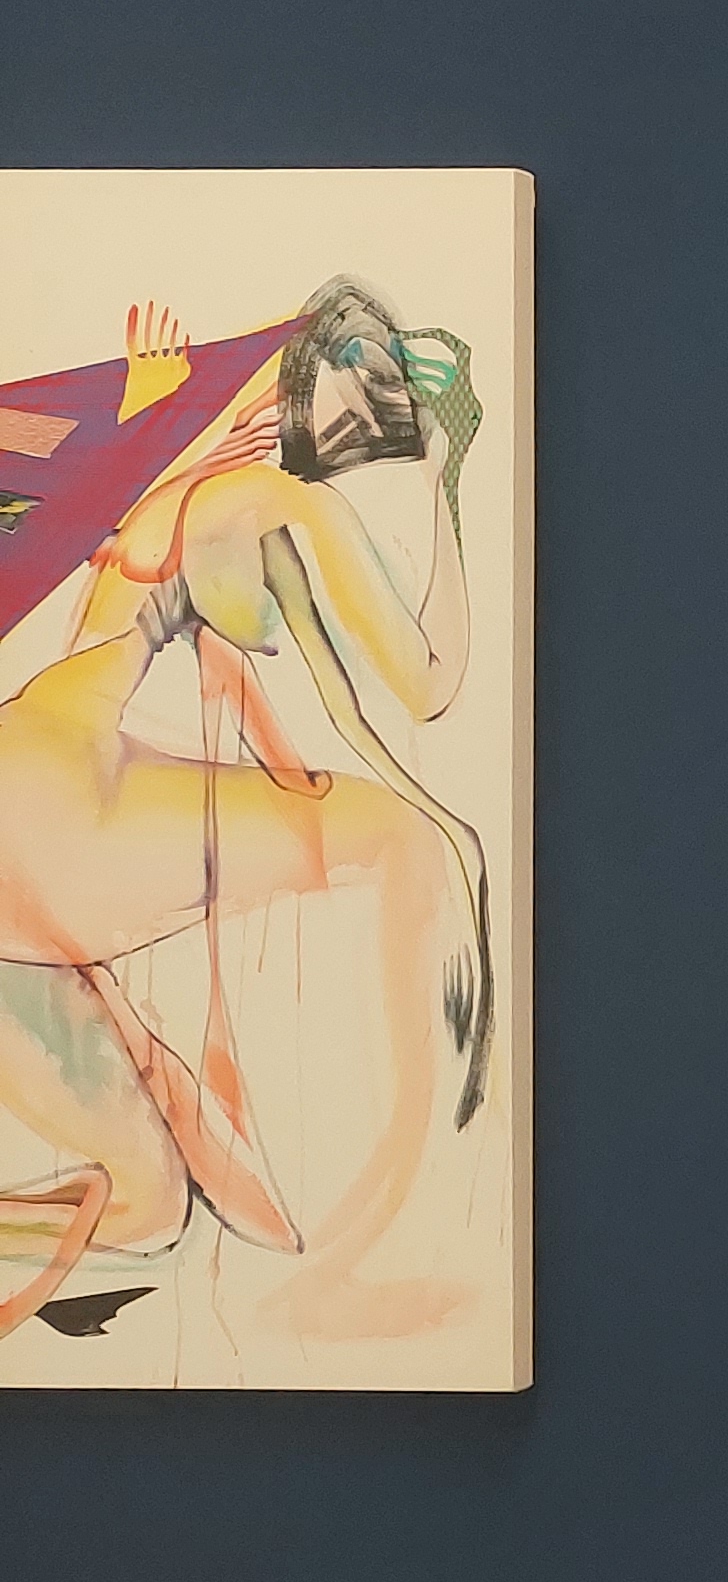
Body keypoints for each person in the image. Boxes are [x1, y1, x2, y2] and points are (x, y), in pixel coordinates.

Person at [0, 284, 491, 1342]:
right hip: (66, 816)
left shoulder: (176, 471)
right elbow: (429, 683)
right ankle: (372, 1250)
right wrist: (447, 479)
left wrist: (152, 412)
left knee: (147, 1208)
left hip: (24, 800)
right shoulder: (274, 500)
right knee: (408, 843)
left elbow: (98, 538)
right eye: (382, 384)